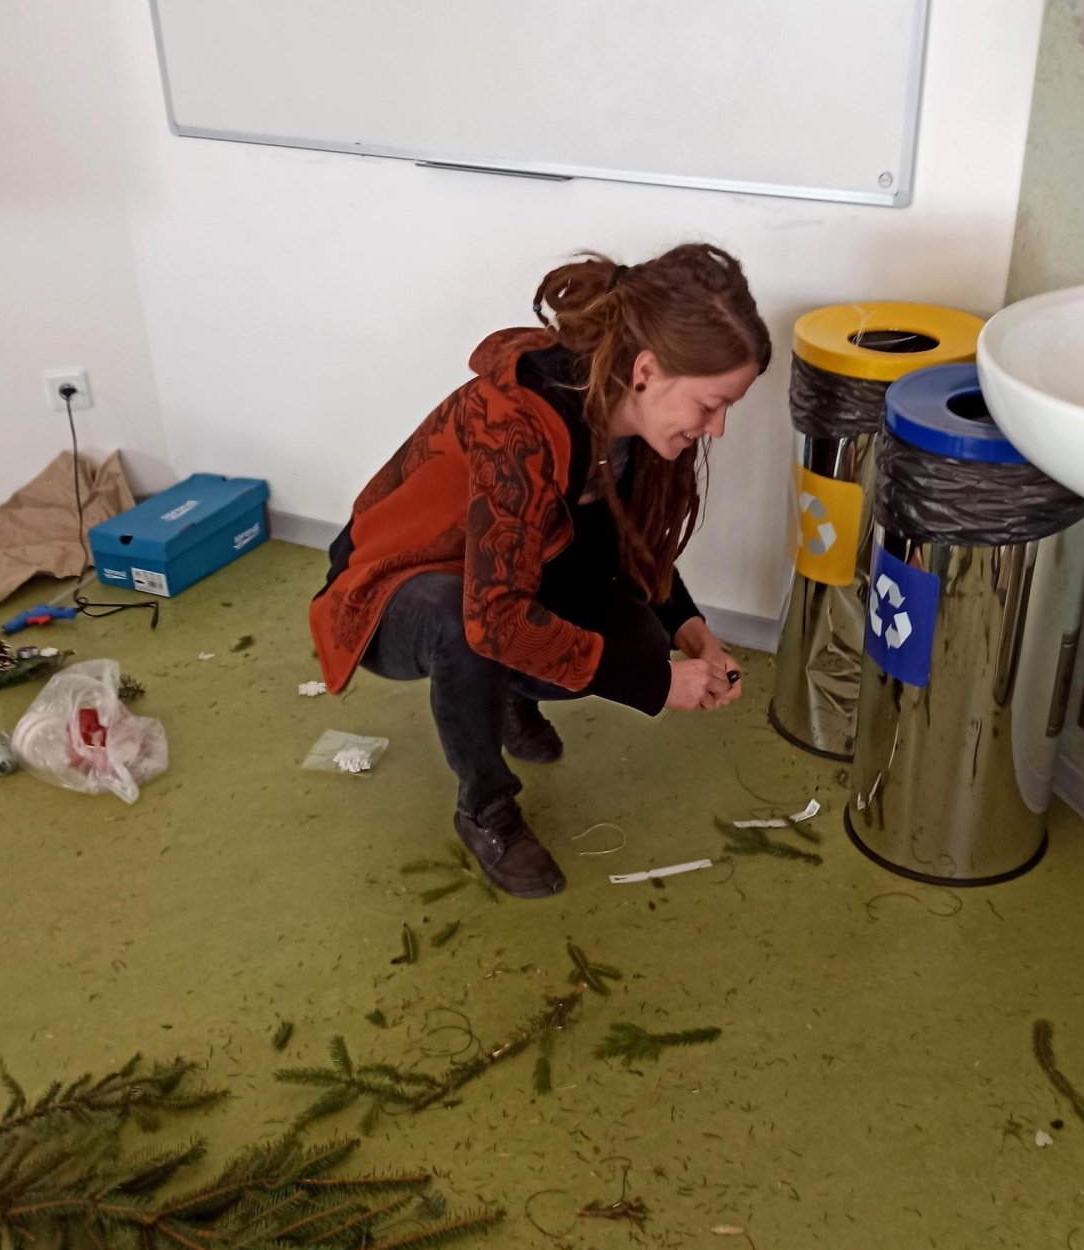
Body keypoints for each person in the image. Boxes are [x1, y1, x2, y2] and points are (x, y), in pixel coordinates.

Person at [310, 243, 771, 899]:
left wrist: (691, 631)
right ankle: (485, 808)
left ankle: (506, 697)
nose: (718, 428)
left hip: (492, 577)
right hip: (386, 587)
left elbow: (628, 551)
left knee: (635, 638)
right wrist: (657, 683)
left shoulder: (632, 419)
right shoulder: (518, 425)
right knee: (464, 621)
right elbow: (493, 616)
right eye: (710, 405)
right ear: (646, 371)